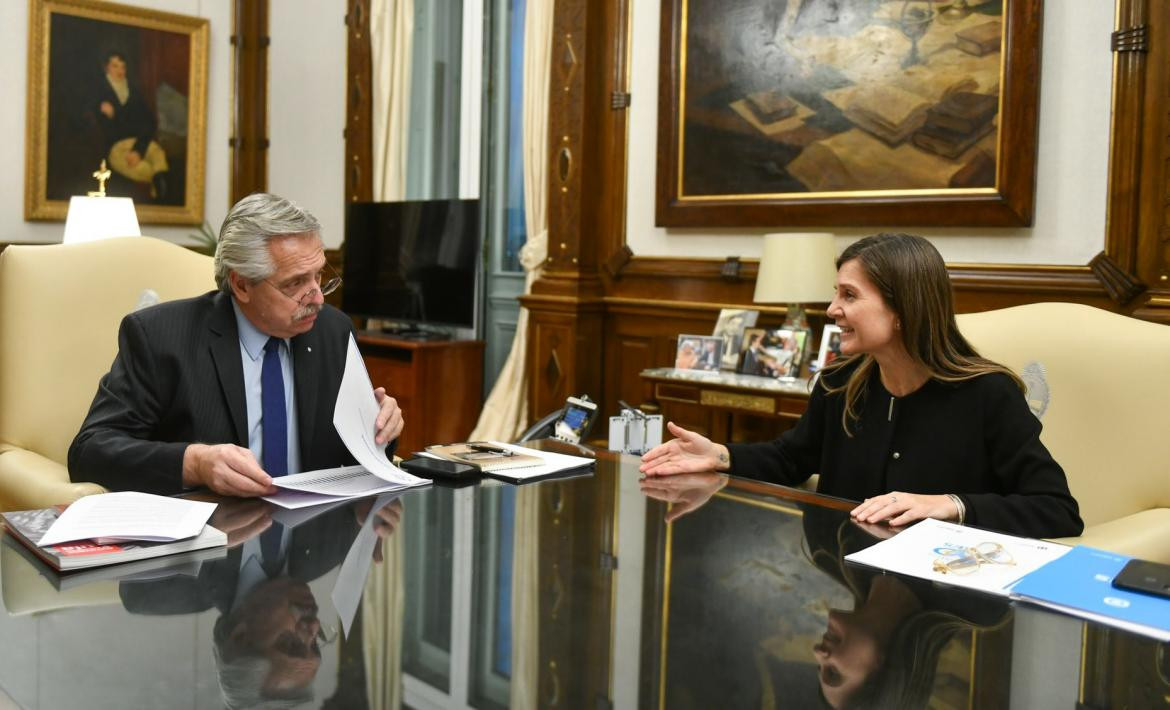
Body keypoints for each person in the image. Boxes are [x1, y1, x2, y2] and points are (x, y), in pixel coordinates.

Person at [640, 233, 1083, 539]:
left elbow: (1056, 510)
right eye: (837, 294)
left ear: (903, 309)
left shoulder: (988, 393)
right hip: (849, 577)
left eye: (849, 296)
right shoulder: (839, 382)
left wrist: (950, 505)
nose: (832, 309)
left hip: (948, 603)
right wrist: (720, 454)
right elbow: (792, 458)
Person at [68, 193, 404, 497]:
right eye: (296, 283)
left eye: (318, 276)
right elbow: (90, 451)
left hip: (312, 546)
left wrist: (380, 430)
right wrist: (194, 463)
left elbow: (348, 459)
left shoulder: (333, 331)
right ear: (241, 285)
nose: (316, 296)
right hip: (210, 547)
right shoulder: (159, 337)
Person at [94, 51, 170, 200]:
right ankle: (160, 186)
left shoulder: (134, 92)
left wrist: (138, 150)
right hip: (117, 148)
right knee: (143, 168)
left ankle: (161, 185)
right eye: (115, 66)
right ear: (106, 68)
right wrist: (101, 110)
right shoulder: (98, 91)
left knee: (158, 155)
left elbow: (150, 122)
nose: (120, 71)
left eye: (123, 67)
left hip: (140, 142)